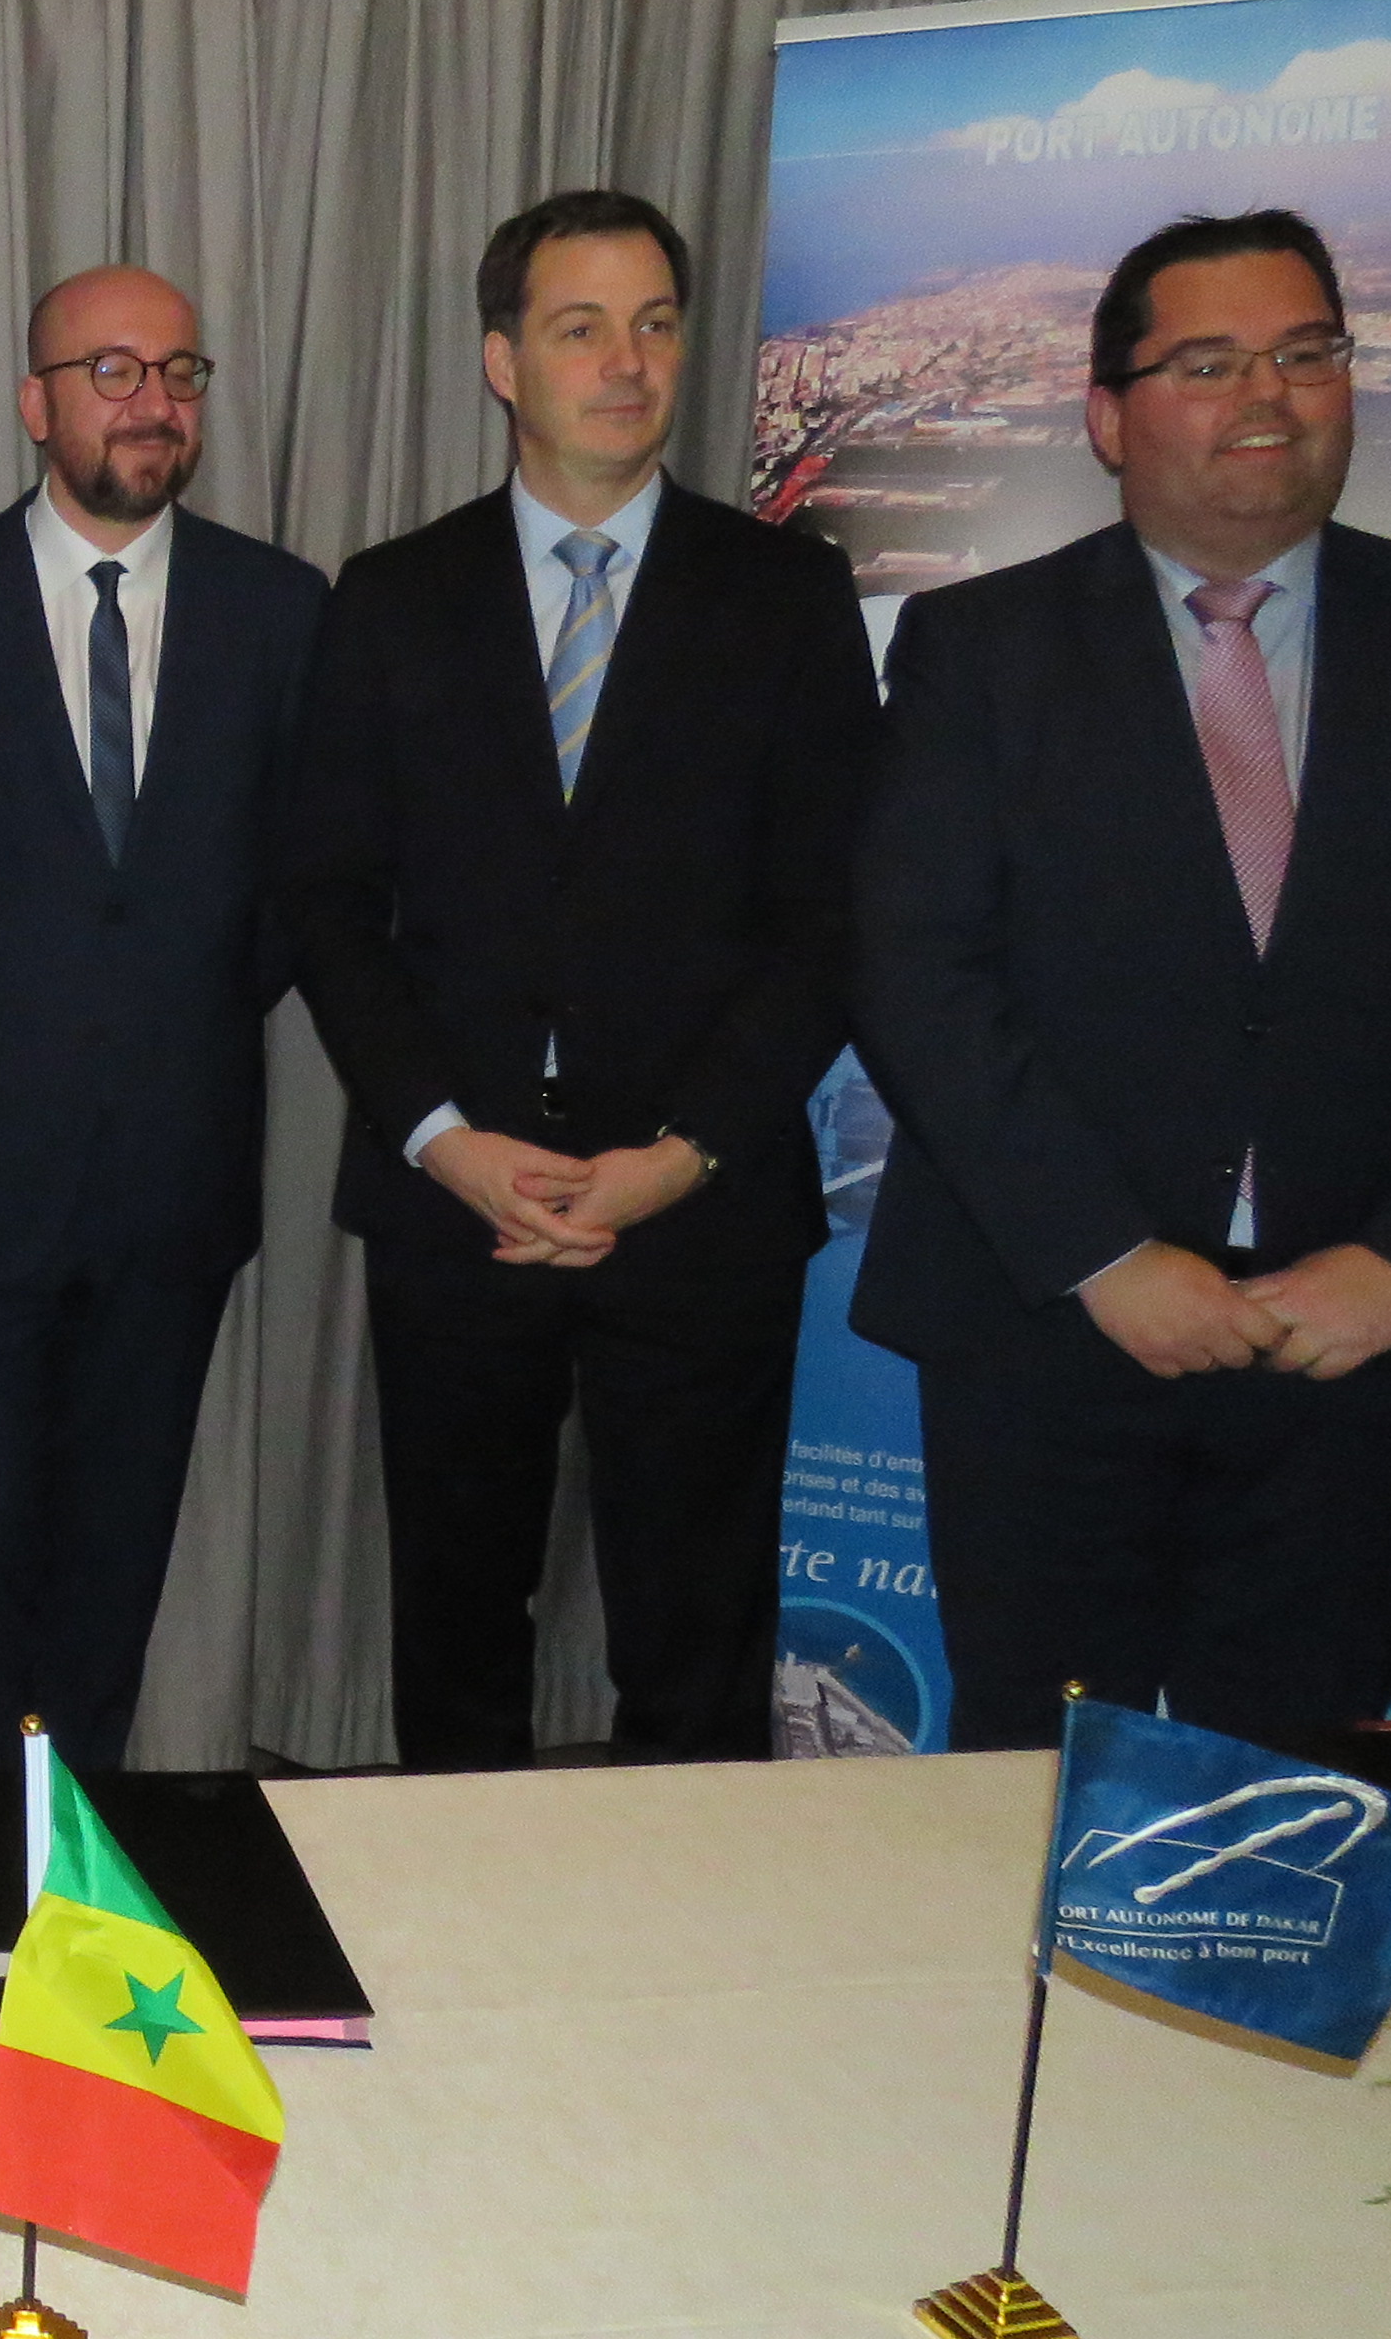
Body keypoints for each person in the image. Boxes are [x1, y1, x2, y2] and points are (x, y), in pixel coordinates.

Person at [851, 207, 1391, 1750]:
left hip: (1357, 1351)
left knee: (1292, 1817)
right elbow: (915, 971)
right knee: (1027, 1779)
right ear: (1109, 415)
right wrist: (1106, 1257)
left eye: (1307, 355)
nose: (1267, 400)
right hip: (1051, 1342)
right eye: (1209, 363)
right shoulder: (977, 650)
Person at [298, 191, 877, 1769]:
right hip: (454, 1202)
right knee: (458, 1636)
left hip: (697, 1209)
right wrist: (443, 1138)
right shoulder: (392, 598)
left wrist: (677, 1158)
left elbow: (827, 922)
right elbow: (330, 906)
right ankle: (462, 1977)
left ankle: (682, 1985)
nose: (626, 364)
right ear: (501, 361)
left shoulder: (785, 600)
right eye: (579, 328)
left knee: (694, 1650)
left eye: (655, 324)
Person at [0, 265, 329, 1771]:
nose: (153, 402)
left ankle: (82, 1878)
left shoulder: (281, 609)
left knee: (113, 1570)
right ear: (33, 402)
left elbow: (295, 893)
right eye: (112, 370)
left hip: (174, 1184)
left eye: (180, 370)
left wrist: (150, 1022)